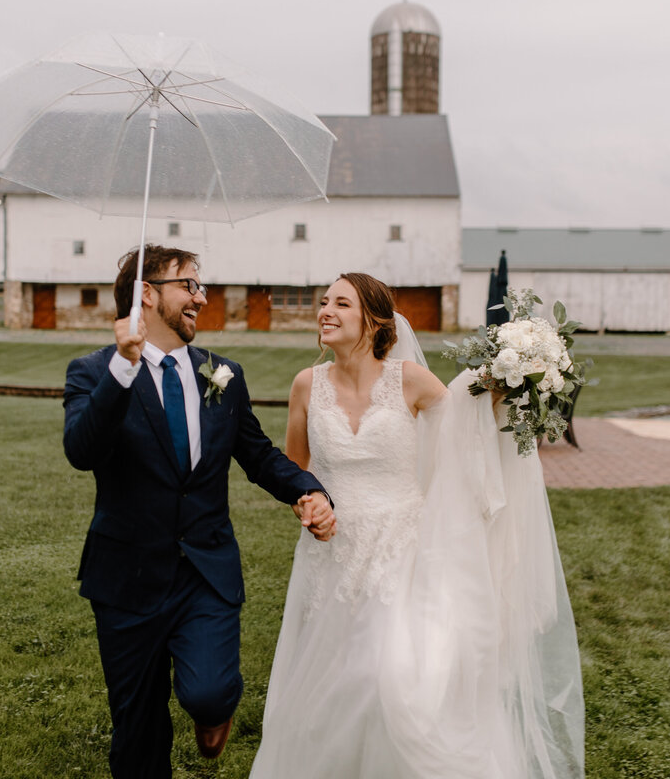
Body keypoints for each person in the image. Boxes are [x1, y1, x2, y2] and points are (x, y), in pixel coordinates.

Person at [250, 273, 584, 779]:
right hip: (331, 555)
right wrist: (308, 504)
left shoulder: (408, 380)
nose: (325, 310)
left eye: (341, 303)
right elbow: (298, 469)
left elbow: (465, 431)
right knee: (330, 687)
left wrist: (506, 379)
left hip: (401, 553)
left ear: (374, 320)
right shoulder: (305, 385)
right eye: (323, 303)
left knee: (389, 679)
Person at [63, 246, 336, 779]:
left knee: (210, 694)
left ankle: (213, 713)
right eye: (189, 285)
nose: (201, 297)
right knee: (137, 732)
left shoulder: (222, 374)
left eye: (201, 285)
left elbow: (256, 454)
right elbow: (82, 451)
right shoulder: (93, 370)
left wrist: (308, 489)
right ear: (148, 293)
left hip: (205, 571)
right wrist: (123, 367)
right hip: (126, 578)